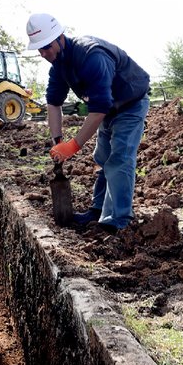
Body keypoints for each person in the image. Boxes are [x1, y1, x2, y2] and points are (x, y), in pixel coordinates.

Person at [27, 13, 150, 233]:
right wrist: (58, 142)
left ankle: (120, 220)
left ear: (60, 38)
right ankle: (98, 210)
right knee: (103, 158)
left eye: (46, 47)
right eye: (40, 49)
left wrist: (73, 146)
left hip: (130, 103)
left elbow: (99, 108)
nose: (44, 53)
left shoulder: (92, 56)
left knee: (120, 158)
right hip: (108, 108)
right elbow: (53, 104)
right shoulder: (58, 67)